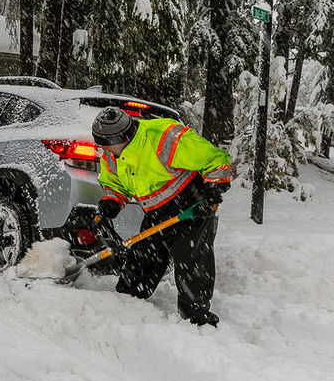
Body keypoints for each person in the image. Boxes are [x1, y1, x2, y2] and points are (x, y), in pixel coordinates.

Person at [90, 107, 232, 326]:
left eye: (106, 145)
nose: (104, 150)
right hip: (156, 211)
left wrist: (214, 189)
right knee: (144, 257)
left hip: (190, 205)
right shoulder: (111, 154)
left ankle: (197, 318)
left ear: (121, 137)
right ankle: (126, 302)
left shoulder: (164, 137)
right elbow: (114, 184)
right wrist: (111, 202)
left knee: (191, 259)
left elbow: (214, 158)